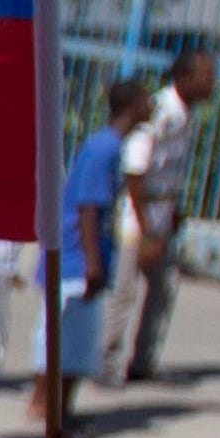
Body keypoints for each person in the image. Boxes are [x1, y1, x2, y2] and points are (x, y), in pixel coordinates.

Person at [119, 45, 214, 384]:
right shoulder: (160, 112)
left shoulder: (186, 115)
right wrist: (147, 231)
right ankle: (105, 362)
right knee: (123, 290)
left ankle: (143, 360)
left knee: (161, 289)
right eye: (207, 77)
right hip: (138, 214)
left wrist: (171, 213)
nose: (212, 85)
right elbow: (134, 171)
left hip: (160, 211)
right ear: (184, 78)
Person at [60, 77, 142, 388]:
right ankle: (49, 411)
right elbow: (88, 208)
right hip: (76, 259)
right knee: (68, 342)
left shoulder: (112, 146)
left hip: (86, 257)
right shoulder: (104, 148)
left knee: (79, 346)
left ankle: (63, 413)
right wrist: (91, 262)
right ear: (133, 107)